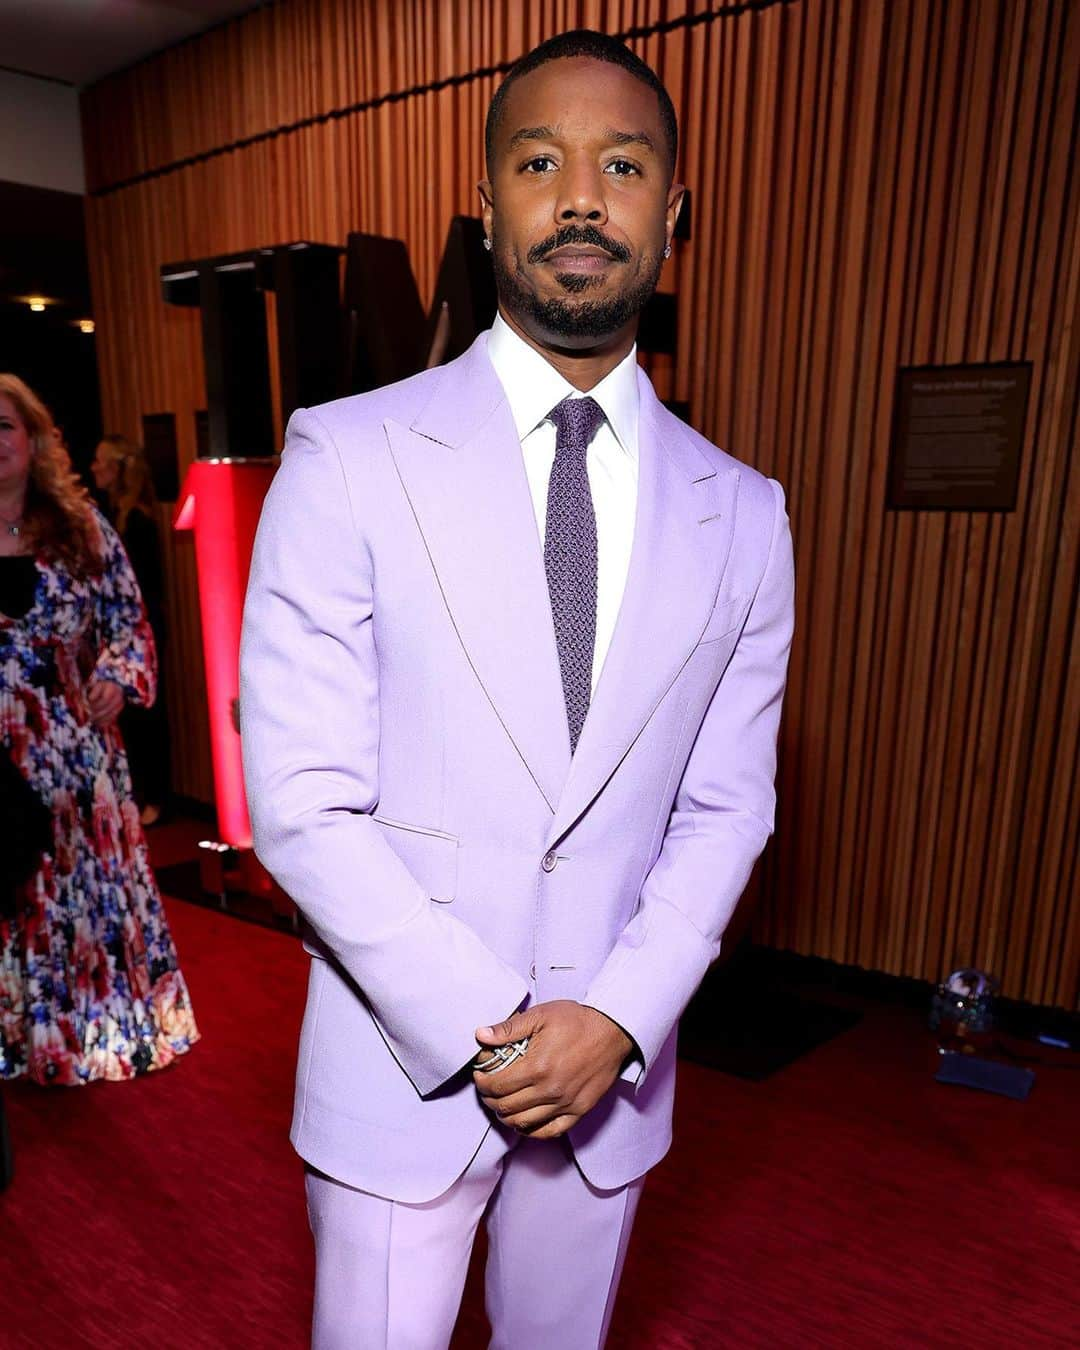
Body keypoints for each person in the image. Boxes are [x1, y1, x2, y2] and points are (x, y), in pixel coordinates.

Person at [241, 29, 794, 1350]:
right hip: (398, 1071)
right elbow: (305, 799)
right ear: (490, 208)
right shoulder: (347, 453)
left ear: (677, 210)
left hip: (610, 1087)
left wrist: (613, 1018)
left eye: (625, 162)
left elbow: (728, 806)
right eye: (541, 161)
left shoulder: (750, 512)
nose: (584, 195)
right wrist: (494, 1032)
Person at [0, 374, 198, 1085]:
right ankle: (19, 1040)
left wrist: (118, 673)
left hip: (76, 753)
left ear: (35, 439)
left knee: (85, 898)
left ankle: (99, 1031)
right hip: (0, 760)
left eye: (5, 427)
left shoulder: (83, 527)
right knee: (12, 902)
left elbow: (131, 623)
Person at [90, 434, 171, 826]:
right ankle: (139, 795)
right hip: (120, 631)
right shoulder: (108, 517)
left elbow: (138, 591)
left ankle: (154, 796)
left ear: (119, 469)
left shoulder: (136, 520)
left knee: (147, 718)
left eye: (101, 462)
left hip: (142, 629)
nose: (94, 470)